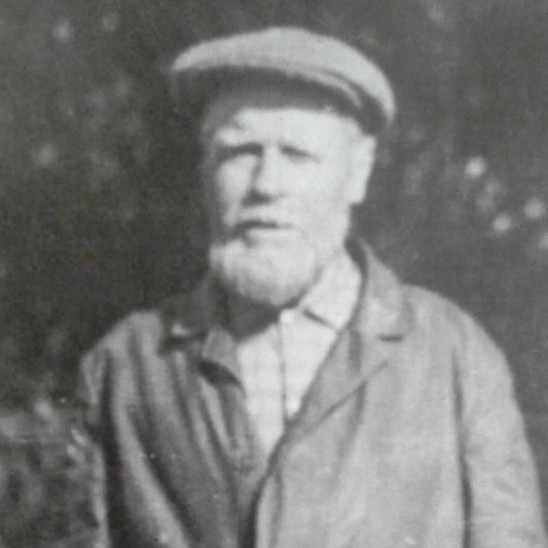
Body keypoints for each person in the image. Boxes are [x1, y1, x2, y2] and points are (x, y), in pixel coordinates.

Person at [78, 27, 547, 548]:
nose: (266, 185)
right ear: (205, 170)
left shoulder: (454, 355)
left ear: (357, 174)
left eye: (298, 154)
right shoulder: (126, 367)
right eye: (239, 152)